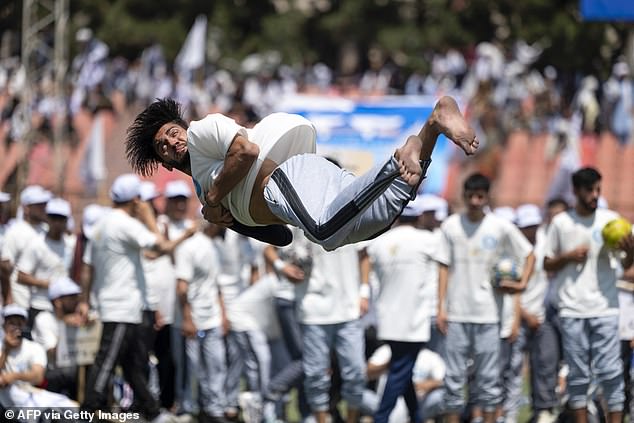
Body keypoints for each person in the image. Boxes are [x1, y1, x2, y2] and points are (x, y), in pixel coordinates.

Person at [125, 96, 478, 250]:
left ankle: (398, 157)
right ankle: (433, 126)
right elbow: (280, 236)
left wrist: (216, 199)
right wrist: (226, 220)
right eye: (162, 147)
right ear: (167, 164)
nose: (172, 143)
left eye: (172, 133)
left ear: (183, 128)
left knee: (324, 233)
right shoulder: (205, 189)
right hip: (299, 199)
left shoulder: (202, 132)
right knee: (376, 220)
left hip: (287, 179)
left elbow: (245, 151)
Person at [80, 174, 195, 422]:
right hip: (122, 306)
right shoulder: (126, 224)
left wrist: (84, 300)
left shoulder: (101, 224)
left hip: (123, 306)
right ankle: (89, 410)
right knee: (107, 360)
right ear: (135, 201)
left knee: (133, 364)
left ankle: (151, 411)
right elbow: (161, 247)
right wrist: (151, 219)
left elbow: (87, 266)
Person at [436, 173, 535, 423]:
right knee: (454, 380)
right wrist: (441, 307)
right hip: (457, 313)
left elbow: (529, 254)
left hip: (489, 315)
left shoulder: (500, 227)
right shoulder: (451, 226)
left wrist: (520, 283)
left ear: (487, 196)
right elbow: (443, 267)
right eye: (471, 196)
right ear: (464, 196)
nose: (476, 201)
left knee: (489, 381)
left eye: (480, 196)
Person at [544, 167, 634, 422]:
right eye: (589, 191)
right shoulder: (561, 223)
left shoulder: (611, 221)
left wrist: (631, 251)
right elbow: (546, 264)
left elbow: (626, 265)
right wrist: (567, 257)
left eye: (597, 190)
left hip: (606, 307)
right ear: (575, 191)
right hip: (572, 309)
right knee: (578, 374)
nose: (594, 195)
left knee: (611, 371)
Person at [365, 198, 440, 423]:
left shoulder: (379, 242)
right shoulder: (429, 240)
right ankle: (381, 418)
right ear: (419, 217)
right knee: (400, 370)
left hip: (387, 317)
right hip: (415, 317)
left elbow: (374, 281)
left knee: (403, 368)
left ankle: (415, 417)